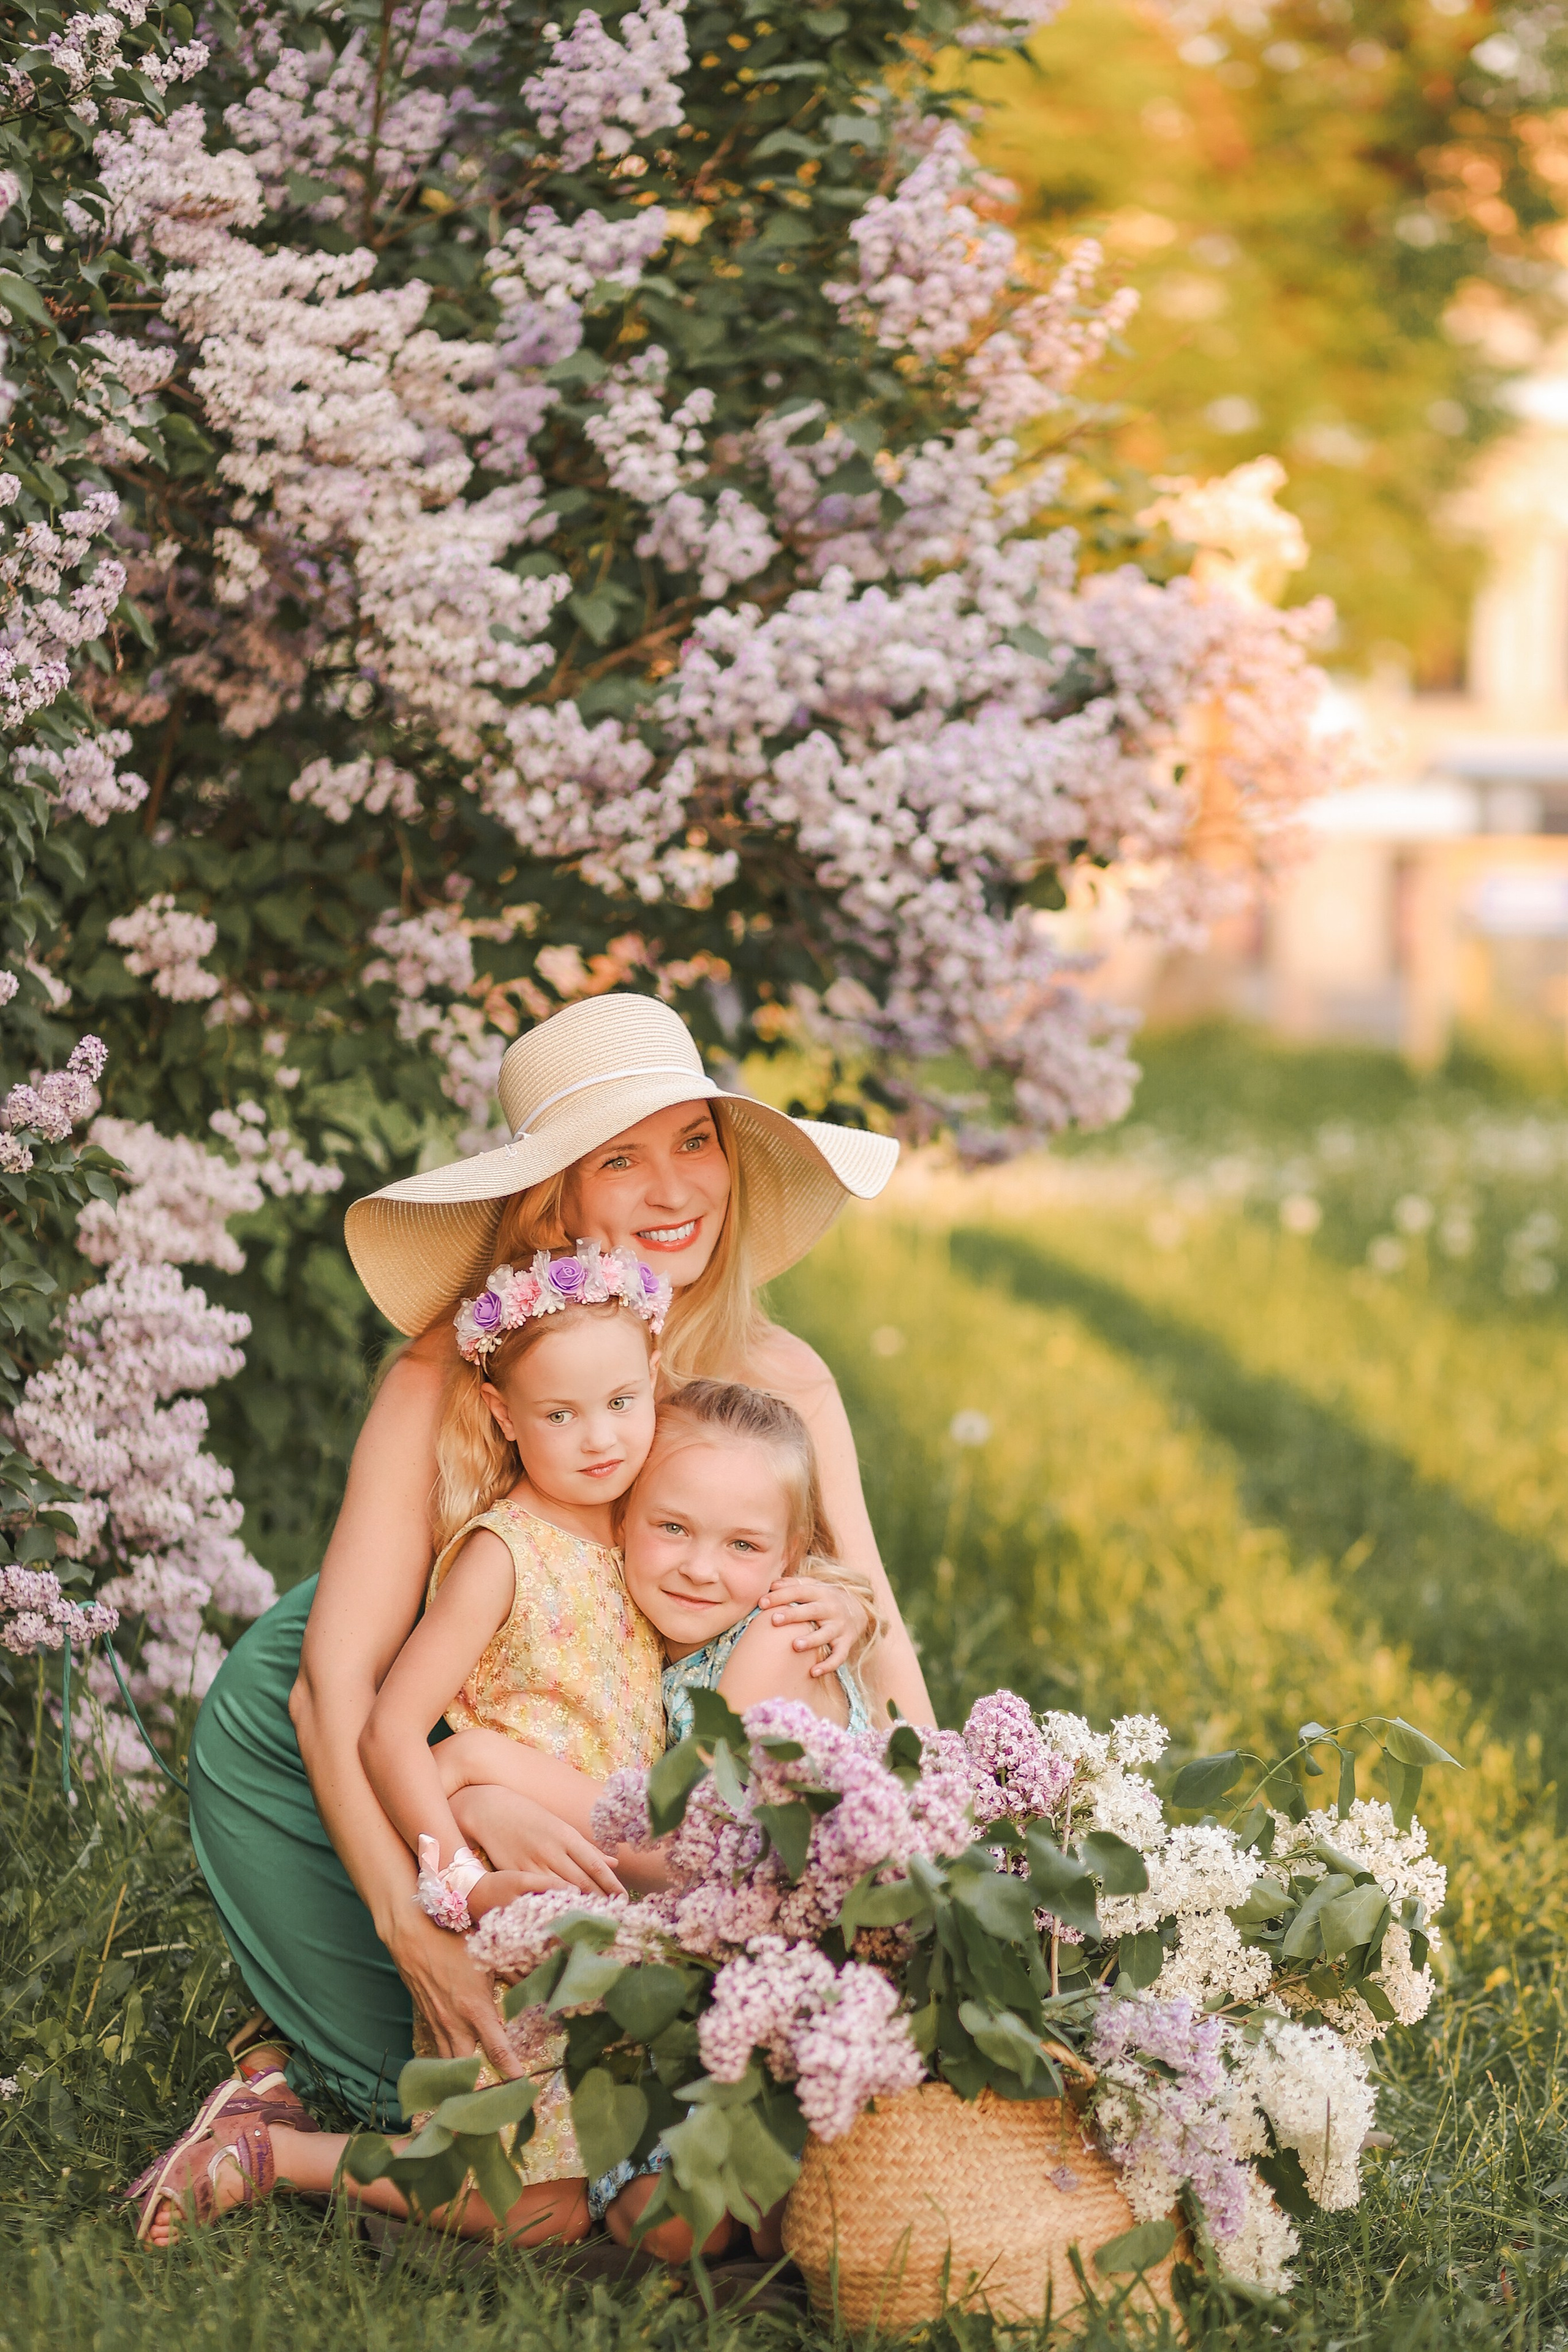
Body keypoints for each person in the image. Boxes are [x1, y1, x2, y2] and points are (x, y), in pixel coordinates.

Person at [178, 992, 931, 2154]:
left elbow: (875, 1636)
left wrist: (947, 1832)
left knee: (643, 2096)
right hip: (364, 1717)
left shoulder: (781, 1377)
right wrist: (411, 1914)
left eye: (696, 1141)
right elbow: (331, 1692)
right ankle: (283, 2069)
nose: (675, 1189)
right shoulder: (453, 1372)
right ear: (557, 1199)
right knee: (460, 2101)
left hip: (570, 1731)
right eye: (621, 1159)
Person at [130, 1292, 868, 2246]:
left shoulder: (702, 1605)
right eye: (674, 1530)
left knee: (637, 2213)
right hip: (560, 1912)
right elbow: (383, 1725)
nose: (695, 1565)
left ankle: (297, 2137)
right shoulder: (520, 1551)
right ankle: (273, 2149)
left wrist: (480, 1766)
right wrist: (458, 1867)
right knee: (552, 2208)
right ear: (501, 1413)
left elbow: (684, 1824)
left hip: (672, 1927)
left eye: (618, 1405)